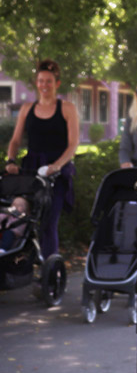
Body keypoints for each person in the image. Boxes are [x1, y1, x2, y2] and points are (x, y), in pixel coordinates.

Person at [5, 59, 78, 258]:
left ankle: (49, 271)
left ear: (57, 84)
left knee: (48, 222)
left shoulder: (67, 108)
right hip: (31, 170)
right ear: (36, 83)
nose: (44, 85)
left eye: (49, 81)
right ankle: (15, 262)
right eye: (41, 81)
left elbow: (73, 145)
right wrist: (11, 161)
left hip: (56, 172)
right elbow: (15, 141)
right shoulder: (27, 109)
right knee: (18, 216)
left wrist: (57, 165)